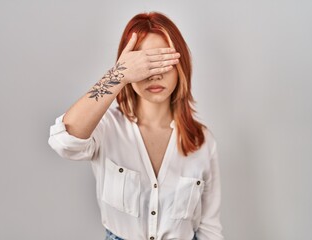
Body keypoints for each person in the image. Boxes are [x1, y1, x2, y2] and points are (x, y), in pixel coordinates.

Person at [48, 11, 224, 240]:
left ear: (181, 65)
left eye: (163, 61)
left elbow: (209, 228)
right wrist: (117, 75)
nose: (155, 74)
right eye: (145, 64)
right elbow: (64, 141)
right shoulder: (107, 127)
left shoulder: (202, 141)